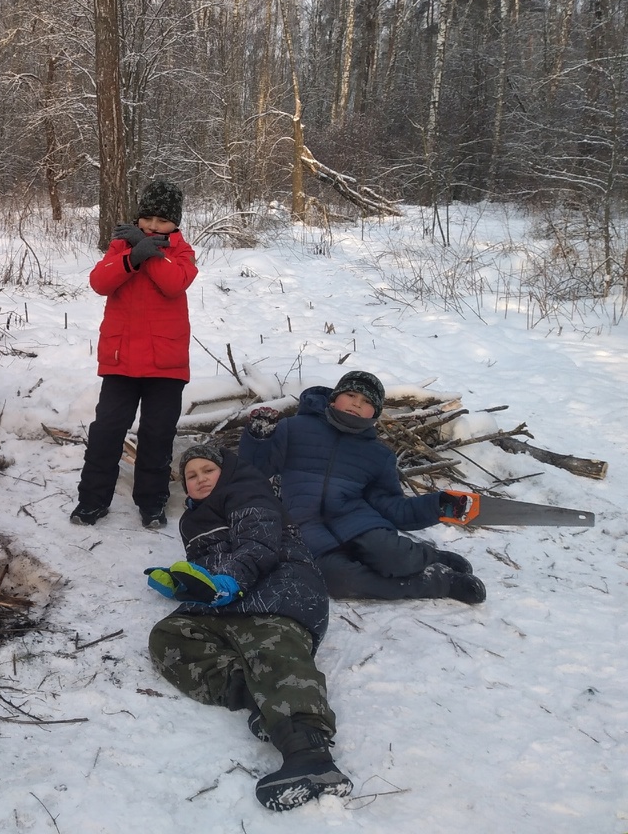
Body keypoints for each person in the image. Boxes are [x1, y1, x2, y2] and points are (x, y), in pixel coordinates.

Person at [146, 445, 352, 812]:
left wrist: (228, 580)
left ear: (225, 471)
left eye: (207, 470)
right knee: (169, 637)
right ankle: (256, 695)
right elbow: (209, 564)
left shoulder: (248, 493)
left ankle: (311, 756)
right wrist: (184, 584)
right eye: (191, 476)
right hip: (228, 599)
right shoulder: (191, 521)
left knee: (270, 642)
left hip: (279, 589)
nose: (199, 479)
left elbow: (258, 544)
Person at [239, 370, 486, 604]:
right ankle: (440, 583)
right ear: (334, 399)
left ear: (375, 413)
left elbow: (393, 507)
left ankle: (431, 557)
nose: (357, 403)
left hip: (358, 523)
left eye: (367, 401)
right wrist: (258, 438)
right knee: (339, 581)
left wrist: (438, 505)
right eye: (351, 395)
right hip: (307, 529)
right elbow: (256, 471)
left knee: (393, 556)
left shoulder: (378, 454)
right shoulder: (293, 428)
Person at [71, 178, 198, 530]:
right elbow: (100, 283)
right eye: (148, 220)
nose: (154, 226)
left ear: (176, 223)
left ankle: (152, 503)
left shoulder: (183, 253)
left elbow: (173, 284)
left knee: (158, 435)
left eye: (162, 221)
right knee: (106, 432)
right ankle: (92, 501)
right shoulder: (121, 247)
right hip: (120, 360)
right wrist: (131, 255)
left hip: (166, 364)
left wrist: (149, 251)